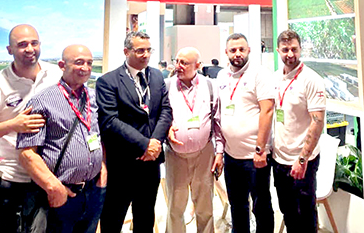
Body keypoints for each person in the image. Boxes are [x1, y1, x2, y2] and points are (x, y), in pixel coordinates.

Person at [0, 24, 61, 233]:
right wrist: (12, 125)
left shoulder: (55, 74)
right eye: (22, 44)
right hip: (15, 180)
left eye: (34, 43)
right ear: (9, 50)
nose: (30, 49)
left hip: (52, 175)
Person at [17, 45, 106, 233]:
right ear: (62, 65)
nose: (86, 68)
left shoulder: (93, 97)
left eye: (89, 63)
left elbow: (98, 136)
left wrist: (103, 169)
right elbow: (27, 154)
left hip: (93, 191)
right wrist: (53, 186)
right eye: (79, 62)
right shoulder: (42, 101)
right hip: (61, 194)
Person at [96, 31, 173, 233]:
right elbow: (110, 121)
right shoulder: (108, 81)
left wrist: (155, 142)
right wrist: (144, 144)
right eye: (140, 50)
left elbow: (165, 111)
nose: (146, 55)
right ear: (126, 51)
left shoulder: (156, 76)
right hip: (123, 163)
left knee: (145, 217)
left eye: (149, 50)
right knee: (113, 218)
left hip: (151, 162)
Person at [216, 33, 275, 233]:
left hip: (255, 155)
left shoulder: (260, 74)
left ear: (249, 50)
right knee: (237, 204)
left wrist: (260, 149)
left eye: (242, 49)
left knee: (261, 205)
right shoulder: (222, 76)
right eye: (233, 50)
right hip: (231, 155)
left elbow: (267, 111)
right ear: (226, 53)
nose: (237, 53)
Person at [165, 47, 224, 233]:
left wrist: (219, 152)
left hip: (204, 154)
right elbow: (159, 117)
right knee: (175, 208)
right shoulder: (166, 86)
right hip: (175, 155)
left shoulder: (210, 86)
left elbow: (217, 121)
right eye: (177, 61)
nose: (178, 66)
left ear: (198, 65)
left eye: (184, 63)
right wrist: (166, 129)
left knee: (205, 208)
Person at [272, 30, 326, 233]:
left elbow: (317, 122)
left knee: (305, 216)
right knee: (288, 213)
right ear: (278, 50)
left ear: (300, 49)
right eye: (285, 49)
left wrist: (302, 159)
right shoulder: (275, 78)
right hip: (279, 160)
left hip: (303, 161)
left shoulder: (311, 79)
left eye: (294, 49)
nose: (290, 54)